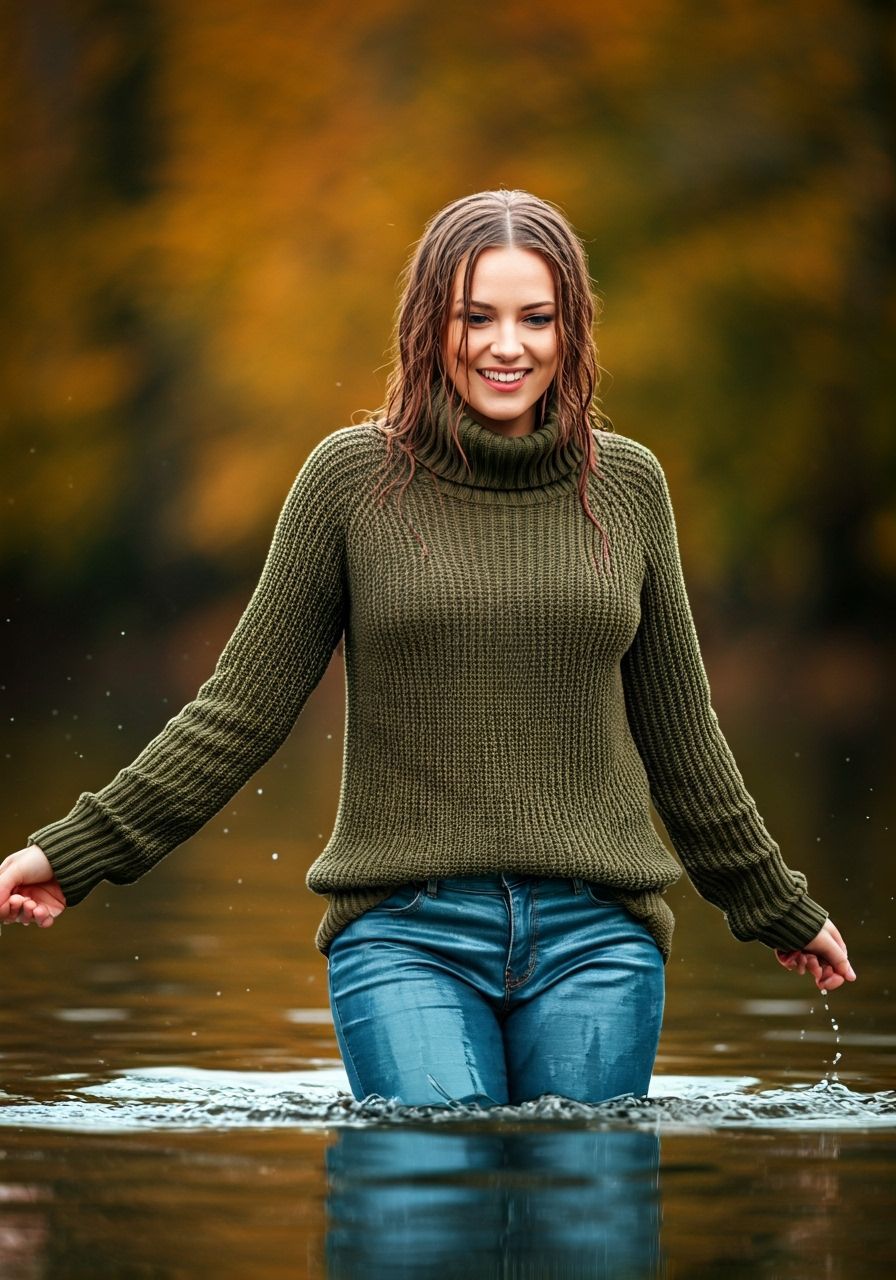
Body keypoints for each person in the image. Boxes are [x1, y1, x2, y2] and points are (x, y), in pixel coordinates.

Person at [1, 189, 856, 1108]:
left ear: (572, 331)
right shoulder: (349, 482)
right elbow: (235, 717)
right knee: (433, 1174)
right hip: (406, 935)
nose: (506, 345)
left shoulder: (631, 490)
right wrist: (73, 852)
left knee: (579, 1219)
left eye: (538, 318)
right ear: (427, 327)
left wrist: (775, 904)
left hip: (599, 937)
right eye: (475, 317)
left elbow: (685, 743)